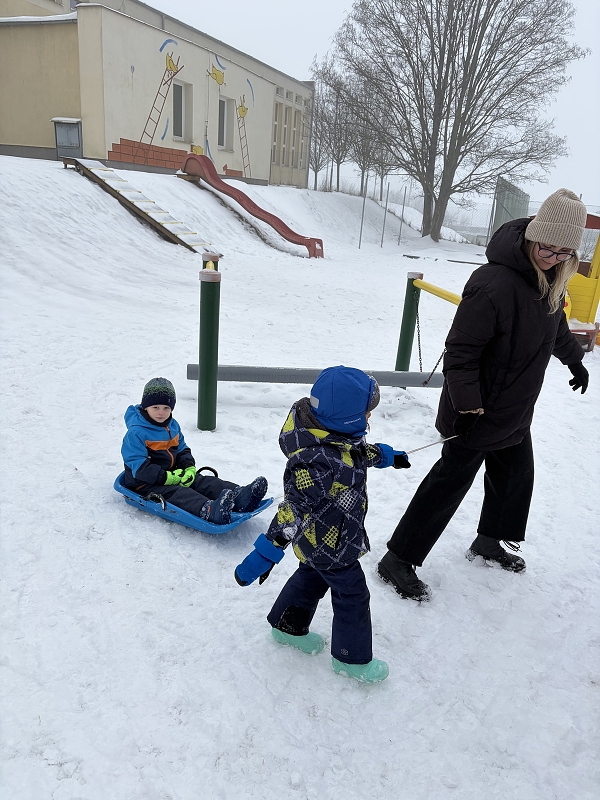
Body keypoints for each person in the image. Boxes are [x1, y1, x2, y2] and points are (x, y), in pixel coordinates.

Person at [377, 188, 590, 602]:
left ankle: (489, 540)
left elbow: (556, 328)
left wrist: (574, 361)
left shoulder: (549, 281)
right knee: (448, 483)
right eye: (547, 248)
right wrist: (468, 405)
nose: (553, 257)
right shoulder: (492, 283)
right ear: (533, 235)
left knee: (515, 477)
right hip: (476, 411)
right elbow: (461, 351)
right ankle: (397, 558)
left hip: (514, 409)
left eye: (564, 252)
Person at [234, 366, 411, 683]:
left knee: (310, 580)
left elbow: (354, 454)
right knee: (353, 595)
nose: (369, 417)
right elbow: (293, 510)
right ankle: (351, 659)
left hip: (322, 540)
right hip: (332, 544)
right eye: (366, 413)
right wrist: (266, 552)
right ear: (348, 419)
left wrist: (386, 456)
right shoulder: (316, 463)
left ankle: (287, 626)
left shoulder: (333, 436)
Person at [121, 377, 267, 524]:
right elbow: (139, 468)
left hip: (173, 473)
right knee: (179, 493)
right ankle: (209, 510)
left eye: (166, 408)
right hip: (146, 483)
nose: (161, 412)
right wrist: (166, 477)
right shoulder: (136, 433)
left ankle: (240, 497)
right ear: (145, 407)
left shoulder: (172, 425)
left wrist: (188, 467)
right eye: (156, 407)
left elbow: (182, 449)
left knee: (202, 482)